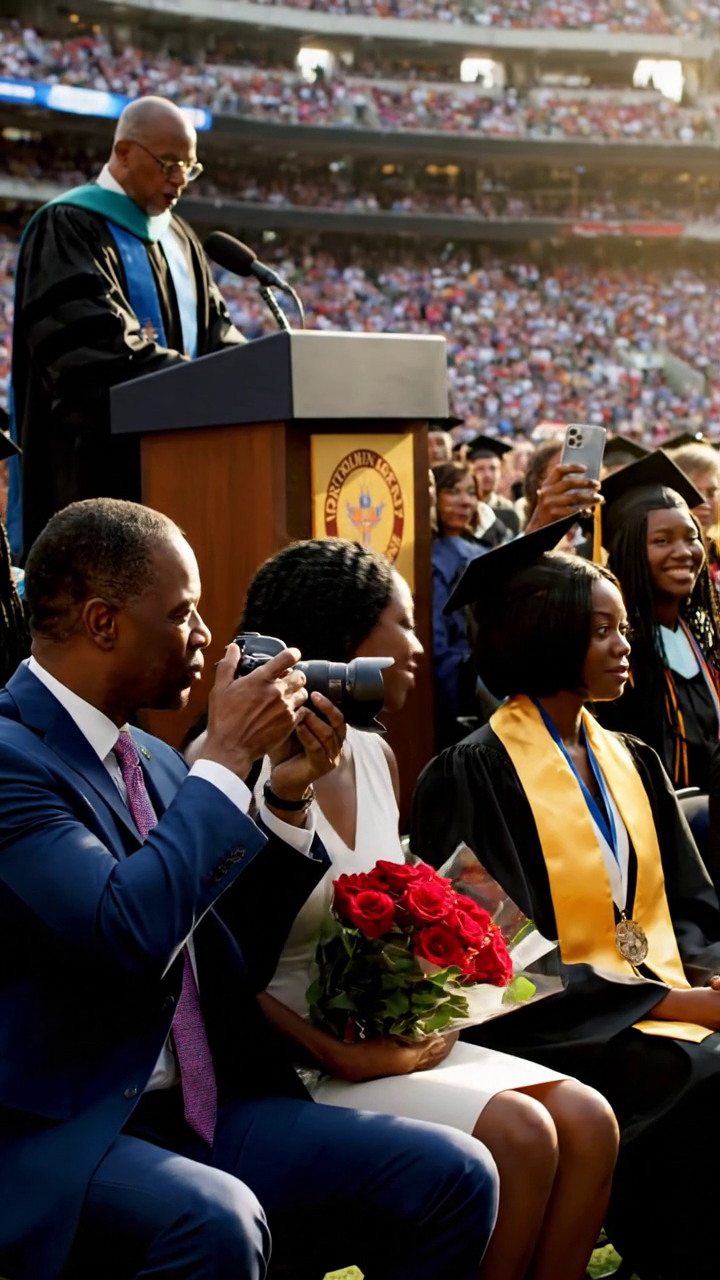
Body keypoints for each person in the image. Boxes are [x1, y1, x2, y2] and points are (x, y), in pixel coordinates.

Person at [0, 498, 499, 1280]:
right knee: (215, 1221)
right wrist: (226, 760)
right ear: (104, 623)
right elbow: (126, 928)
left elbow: (227, 960)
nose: (208, 639)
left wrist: (288, 799)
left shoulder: (158, 762)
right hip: (73, 1126)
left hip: (205, 1108)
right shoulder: (12, 759)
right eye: (184, 614)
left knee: (455, 1173)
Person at [186, 536, 618, 1280]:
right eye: (404, 622)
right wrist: (341, 1052)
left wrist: (449, 996)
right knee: (521, 1135)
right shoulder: (231, 763)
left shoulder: (378, 754)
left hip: (381, 1050)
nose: (421, 647)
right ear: (347, 633)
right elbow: (210, 960)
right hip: (295, 1061)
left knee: (587, 1121)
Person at [411, 517, 720, 1279]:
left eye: (623, 628)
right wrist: (668, 1006)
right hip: (556, 1028)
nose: (626, 645)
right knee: (708, 1077)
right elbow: (496, 961)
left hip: (653, 1004)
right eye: (603, 631)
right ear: (547, 637)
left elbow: (693, 905)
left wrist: (708, 979)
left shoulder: (631, 757)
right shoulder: (472, 772)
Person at [10, 96, 244, 558]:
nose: (179, 180)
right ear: (123, 153)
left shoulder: (182, 240)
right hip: (93, 486)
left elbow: (220, 340)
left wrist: (260, 374)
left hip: (184, 481)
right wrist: (200, 385)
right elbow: (90, 360)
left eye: (190, 168)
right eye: (169, 163)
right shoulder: (68, 227)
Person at [596, 451, 720, 795]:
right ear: (629, 551)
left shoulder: (706, 637)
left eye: (691, 537)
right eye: (662, 541)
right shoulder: (615, 652)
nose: (684, 552)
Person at [431, 463, 490, 747]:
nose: (465, 500)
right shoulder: (425, 558)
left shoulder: (481, 552)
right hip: (444, 693)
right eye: (453, 491)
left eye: (471, 492)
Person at [465, 436, 520, 537]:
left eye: (493, 468)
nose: (487, 475)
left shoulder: (508, 508)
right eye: (480, 469)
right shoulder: (463, 506)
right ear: (469, 472)